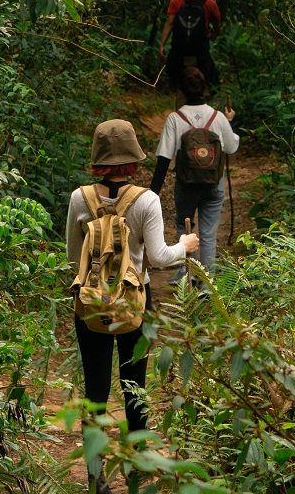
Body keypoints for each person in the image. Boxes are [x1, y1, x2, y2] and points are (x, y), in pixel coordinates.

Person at [66, 119, 199, 494]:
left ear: (98, 159)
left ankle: (95, 479)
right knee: (133, 388)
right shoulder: (146, 200)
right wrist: (185, 245)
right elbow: (157, 259)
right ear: (133, 161)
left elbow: (73, 257)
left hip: (89, 306)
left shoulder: (80, 198)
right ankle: (136, 475)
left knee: (94, 389)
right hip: (134, 305)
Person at [151, 67, 239, 282]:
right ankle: (208, 283)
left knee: (184, 225)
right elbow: (231, 147)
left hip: (186, 184)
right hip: (213, 184)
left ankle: (186, 275)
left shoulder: (175, 118)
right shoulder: (218, 117)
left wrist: (152, 192)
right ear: (205, 89)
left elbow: (164, 157)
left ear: (181, 90)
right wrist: (230, 121)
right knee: (208, 233)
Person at [157, 0, 222, 96]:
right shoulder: (210, 3)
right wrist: (212, 34)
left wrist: (162, 45)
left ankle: (179, 107)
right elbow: (217, 26)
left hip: (179, 51)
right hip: (200, 52)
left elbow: (169, 22)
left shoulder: (177, 0)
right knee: (209, 81)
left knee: (178, 86)